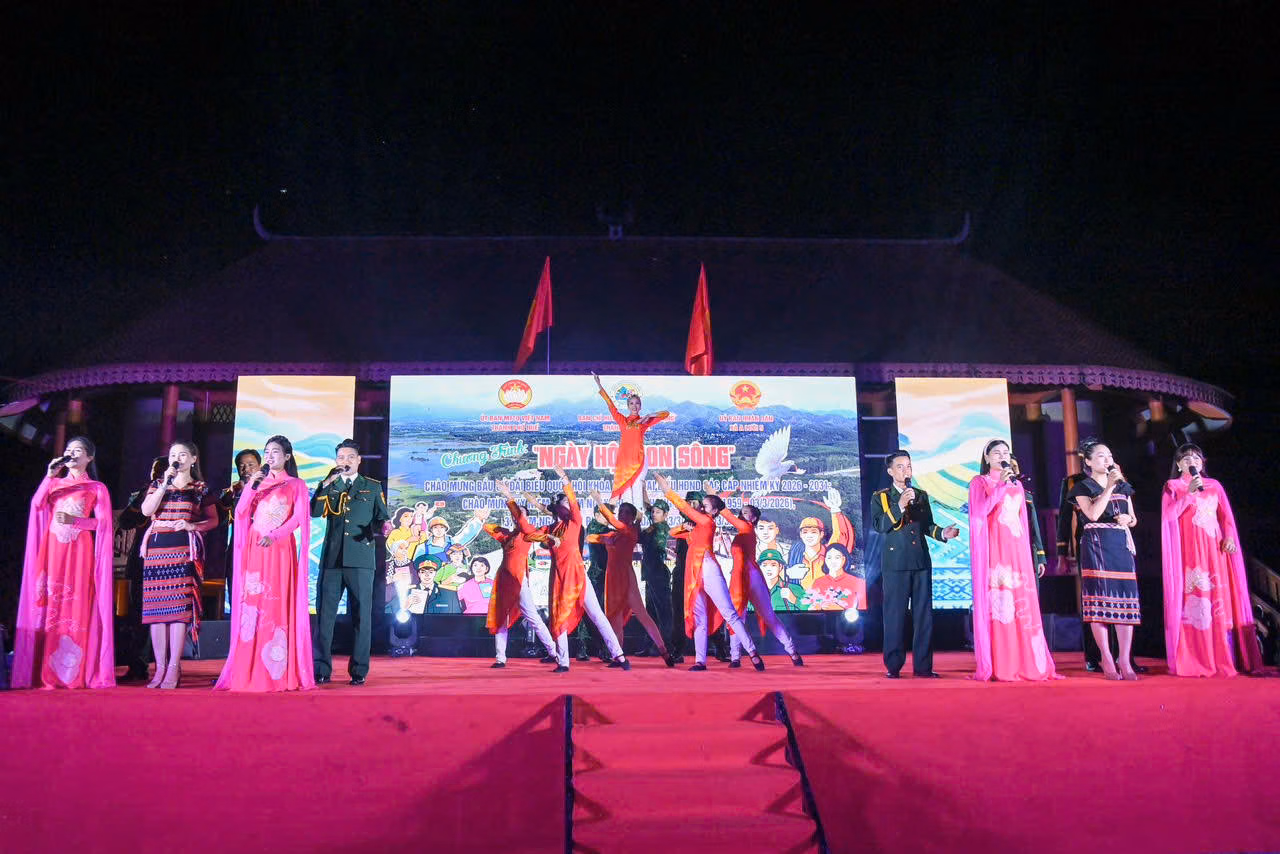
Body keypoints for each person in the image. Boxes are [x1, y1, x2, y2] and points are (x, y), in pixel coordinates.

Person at [12, 437, 116, 689]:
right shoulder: (55, 484)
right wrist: (49, 475)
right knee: (51, 603)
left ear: (89, 457)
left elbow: (103, 524)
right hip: (53, 551)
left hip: (79, 551)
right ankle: (45, 671)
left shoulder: (96, 488)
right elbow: (37, 505)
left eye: (78, 450)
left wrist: (75, 521)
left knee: (76, 603)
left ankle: (74, 673)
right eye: (69, 450)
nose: (72, 453)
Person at [215, 435, 314, 692]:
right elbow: (240, 512)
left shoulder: (296, 484)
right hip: (255, 549)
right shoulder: (256, 482)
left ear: (287, 456)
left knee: (275, 604)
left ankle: (276, 670)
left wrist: (276, 535)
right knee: (253, 605)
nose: (270, 456)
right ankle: (248, 669)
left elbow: (298, 518)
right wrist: (252, 486)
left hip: (279, 549)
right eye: (267, 452)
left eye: (275, 452)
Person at [1160, 443, 1263, 677]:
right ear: (1178, 465)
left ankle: (1224, 656)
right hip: (1189, 552)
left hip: (1214, 550)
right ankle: (1196, 656)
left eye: (1196, 458)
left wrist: (1229, 537)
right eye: (1186, 459)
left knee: (1218, 599)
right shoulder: (1172, 486)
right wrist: (1189, 493)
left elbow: (1226, 517)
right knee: (1196, 597)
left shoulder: (1215, 485)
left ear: (1203, 463)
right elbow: (1168, 516)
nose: (1192, 462)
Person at [968, 440, 1059, 681]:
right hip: (996, 551)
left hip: (1017, 550)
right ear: (987, 458)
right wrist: (999, 486)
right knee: (1002, 606)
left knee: (1023, 604)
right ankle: (1003, 664)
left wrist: (1032, 555)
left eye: (1006, 452)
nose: (1002, 456)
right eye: (996, 453)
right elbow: (979, 512)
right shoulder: (979, 482)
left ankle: (1029, 662)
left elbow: (1024, 523)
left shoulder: (1017, 485)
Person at [655, 472, 764, 671]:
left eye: (704, 505)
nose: (700, 507)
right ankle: (700, 661)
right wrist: (684, 525)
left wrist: (667, 490)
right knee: (700, 618)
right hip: (694, 573)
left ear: (713, 511)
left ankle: (753, 652)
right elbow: (672, 532)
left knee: (729, 612)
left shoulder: (707, 522)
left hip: (708, 568)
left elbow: (684, 507)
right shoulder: (695, 527)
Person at [870, 450, 959, 679]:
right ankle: (893, 665)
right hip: (895, 563)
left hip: (920, 561)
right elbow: (880, 526)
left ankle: (923, 667)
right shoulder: (881, 497)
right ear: (890, 471)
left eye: (908, 466)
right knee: (895, 616)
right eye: (900, 467)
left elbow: (927, 525)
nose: (905, 471)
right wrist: (899, 505)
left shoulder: (920, 495)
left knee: (923, 616)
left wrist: (943, 533)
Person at [530, 466, 628, 672]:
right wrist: (549, 537)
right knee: (559, 617)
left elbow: (574, 502)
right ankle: (563, 662)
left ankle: (619, 656)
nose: (569, 505)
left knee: (597, 615)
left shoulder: (574, 523)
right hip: (560, 578)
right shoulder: (550, 529)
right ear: (557, 507)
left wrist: (565, 480)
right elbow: (529, 535)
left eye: (569, 503)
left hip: (578, 576)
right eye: (564, 503)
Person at [139, 440, 220, 689]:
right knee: (156, 611)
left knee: (178, 611)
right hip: (157, 548)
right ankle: (159, 667)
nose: (177, 459)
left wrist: (192, 525)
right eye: (174, 454)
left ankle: (174, 666)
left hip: (183, 548)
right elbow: (146, 511)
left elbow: (214, 521)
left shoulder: (201, 488)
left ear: (193, 459)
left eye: (183, 455)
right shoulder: (158, 484)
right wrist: (165, 483)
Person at [311, 439, 389, 686]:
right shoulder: (330, 484)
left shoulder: (372, 487)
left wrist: (383, 527)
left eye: (350, 457)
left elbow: (382, 517)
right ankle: (321, 668)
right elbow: (314, 511)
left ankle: (359, 670)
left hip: (361, 559)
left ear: (359, 460)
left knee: (361, 616)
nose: (345, 461)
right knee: (325, 617)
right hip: (332, 559)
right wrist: (326, 483)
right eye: (341, 457)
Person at [1068, 438, 1141, 681]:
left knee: (1125, 600)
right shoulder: (1082, 487)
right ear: (1088, 462)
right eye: (1101, 456)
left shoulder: (1123, 485)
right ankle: (1106, 657)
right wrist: (1109, 487)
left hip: (1120, 544)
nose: (1107, 460)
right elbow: (1092, 514)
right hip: (1096, 544)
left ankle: (1124, 658)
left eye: (1109, 455)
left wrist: (1128, 520)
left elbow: (1132, 518)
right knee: (1099, 601)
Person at [589, 488, 675, 666]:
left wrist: (599, 501)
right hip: (612, 577)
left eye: (627, 512)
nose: (622, 514)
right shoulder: (615, 533)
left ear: (632, 517)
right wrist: (604, 539)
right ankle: (618, 655)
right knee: (614, 616)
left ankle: (664, 651)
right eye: (621, 511)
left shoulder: (631, 531)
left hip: (625, 576)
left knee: (642, 614)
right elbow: (590, 537)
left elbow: (612, 521)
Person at [719, 500, 803, 666]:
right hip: (738, 577)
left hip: (751, 575)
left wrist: (716, 500)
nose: (741, 514)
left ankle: (792, 650)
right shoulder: (741, 532)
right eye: (741, 512)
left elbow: (727, 515)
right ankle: (735, 657)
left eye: (746, 512)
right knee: (737, 618)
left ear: (754, 518)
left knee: (767, 615)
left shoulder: (747, 528)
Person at [486, 483, 557, 667]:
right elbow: (490, 528)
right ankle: (500, 658)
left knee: (532, 617)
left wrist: (508, 496)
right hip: (504, 580)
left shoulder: (528, 533)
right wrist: (480, 519)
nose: (517, 517)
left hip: (519, 581)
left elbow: (539, 533)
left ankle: (553, 651)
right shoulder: (508, 536)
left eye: (521, 514)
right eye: (516, 515)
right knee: (501, 618)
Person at [115, 455, 167, 681]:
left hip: (167, 558)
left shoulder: (177, 493)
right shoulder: (143, 493)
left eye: (161, 470)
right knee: (138, 613)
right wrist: (141, 499)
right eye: (154, 470)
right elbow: (125, 522)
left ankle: (168, 667)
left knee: (166, 615)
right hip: (142, 560)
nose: (156, 474)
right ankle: (138, 665)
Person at [593, 372, 670, 509]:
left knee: (637, 489)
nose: (634, 406)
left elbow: (666, 414)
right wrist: (599, 384)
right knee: (626, 493)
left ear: (640, 406)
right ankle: (628, 520)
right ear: (628, 406)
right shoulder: (622, 421)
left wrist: (650, 415)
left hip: (638, 460)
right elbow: (610, 404)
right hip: (624, 462)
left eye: (637, 403)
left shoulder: (645, 422)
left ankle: (639, 519)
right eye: (631, 403)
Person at [786, 488, 856, 590]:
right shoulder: (795, 555)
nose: (809, 535)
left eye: (813, 532)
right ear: (801, 535)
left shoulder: (829, 554)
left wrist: (835, 511)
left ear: (821, 534)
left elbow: (840, 536)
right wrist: (787, 573)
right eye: (805, 532)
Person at [218, 449, 262, 602]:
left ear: (259, 466)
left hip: (260, 549)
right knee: (236, 595)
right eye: (242, 466)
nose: (246, 469)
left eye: (251, 465)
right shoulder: (230, 493)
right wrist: (231, 494)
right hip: (237, 549)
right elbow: (220, 520)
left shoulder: (268, 491)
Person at [638, 485, 674, 653]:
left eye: (658, 512)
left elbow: (646, 540)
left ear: (665, 515)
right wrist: (643, 487)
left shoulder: (661, 528)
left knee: (663, 612)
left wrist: (638, 528)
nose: (653, 514)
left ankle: (669, 646)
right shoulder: (653, 525)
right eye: (653, 512)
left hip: (658, 573)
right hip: (650, 574)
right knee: (651, 611)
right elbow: (647, 507)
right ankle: (651, 645)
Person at [806, 543, 866, 612]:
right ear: (825, 560)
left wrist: (840, 609)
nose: (833, 561)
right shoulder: (818, 582)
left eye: (837, 557)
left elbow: (864, 612)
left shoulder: (858, 582)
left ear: (843, 559)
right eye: (829, 558)